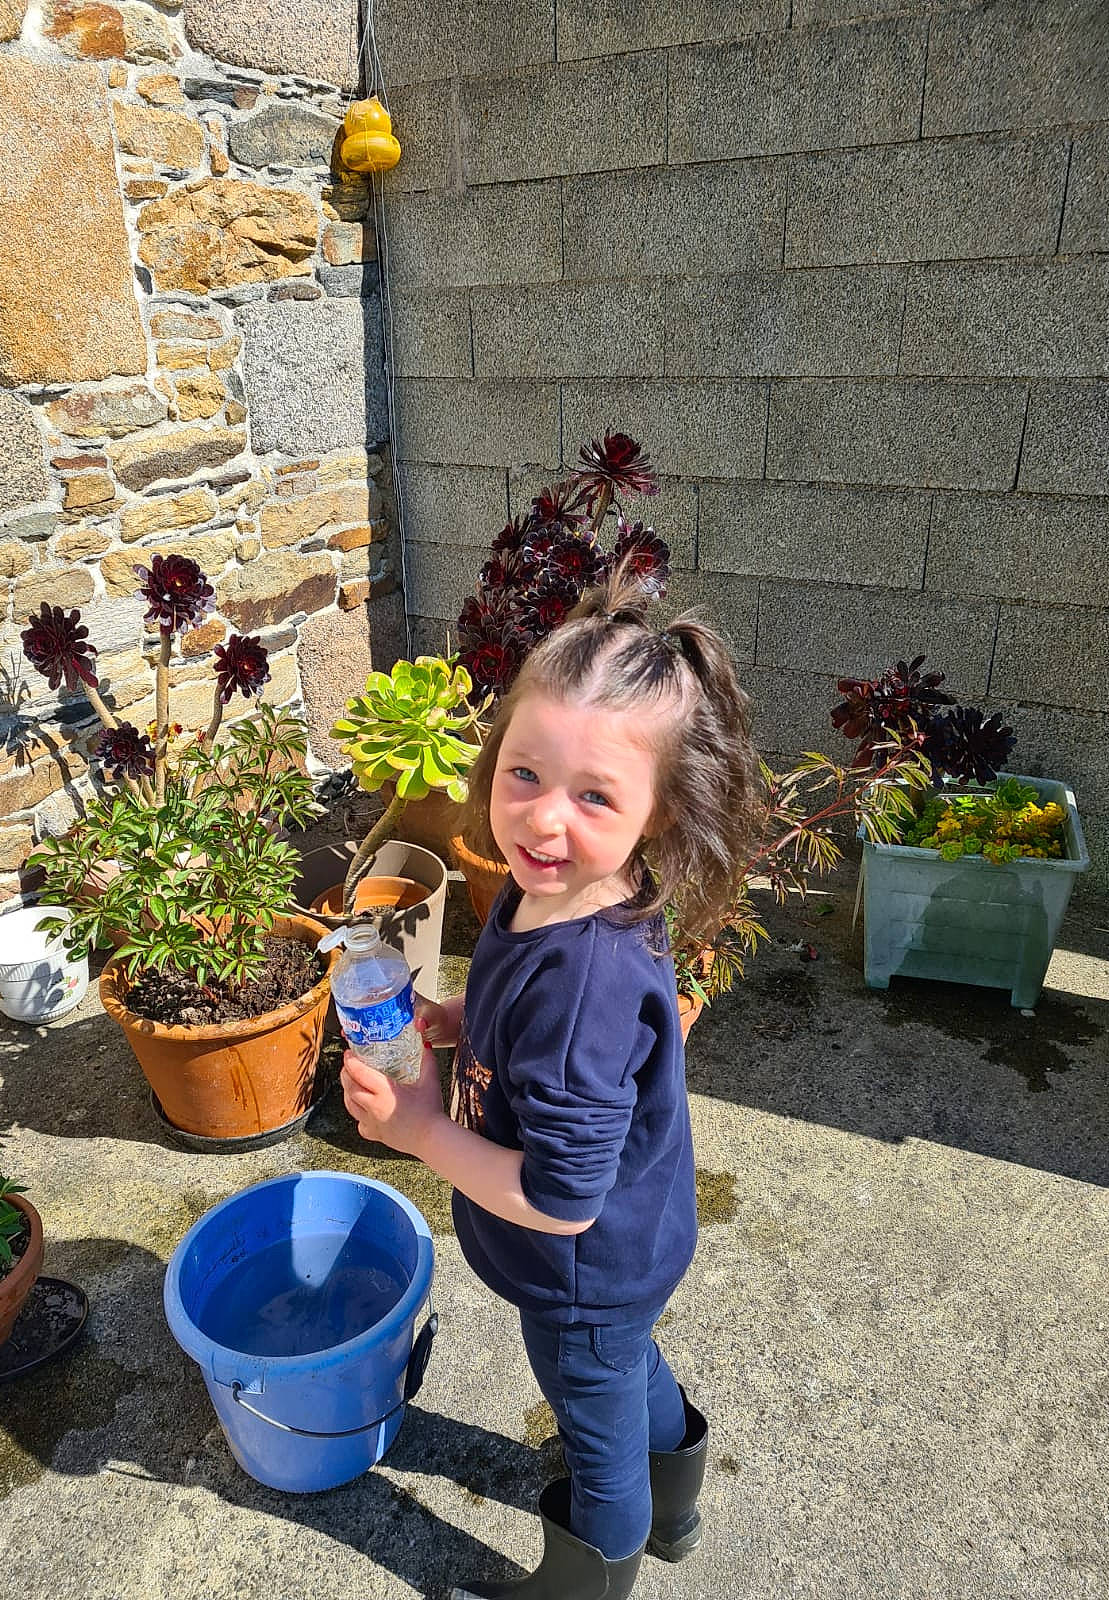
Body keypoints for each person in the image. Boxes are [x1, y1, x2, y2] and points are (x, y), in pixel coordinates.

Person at [340, 568, 759, 1600]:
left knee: (596, 1424)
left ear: (662, 811)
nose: (542, 821)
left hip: (583, 1268)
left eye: (595, 795)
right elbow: (524, 1007)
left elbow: (562, 1199)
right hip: (632, 1245)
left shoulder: (585, 992)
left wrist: (420, 1131)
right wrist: (459, 1017)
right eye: (525, 773)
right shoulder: (563, 892)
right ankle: (676, 1506)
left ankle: (592, 1579)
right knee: (622, 1366)